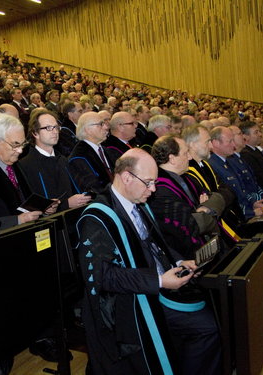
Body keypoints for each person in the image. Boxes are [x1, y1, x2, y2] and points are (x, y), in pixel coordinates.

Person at [77, 148, 221, 375]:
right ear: (126, 177)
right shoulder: (96, 218)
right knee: (207, 327)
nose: (153, 189)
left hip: (155, 284)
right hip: (130, 301)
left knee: (214, 309)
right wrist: (160, 281)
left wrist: (180, 260)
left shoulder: (138, 204)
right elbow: (103, 276)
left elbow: (158, 245)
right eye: (149, 182)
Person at [148, 135, 220, 259]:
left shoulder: (187, 177)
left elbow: (217, 196)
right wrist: (206, 210)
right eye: (186, 153)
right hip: (187, 256)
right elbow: (190, 224)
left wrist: (203, 209)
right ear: (172, 159)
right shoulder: (159, 189)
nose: (190, 157)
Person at [18, 109, 91, 211]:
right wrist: (66, 204)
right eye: (48, 128)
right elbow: (30, 207)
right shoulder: (25, 165)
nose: (55, 131)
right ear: (35, 133)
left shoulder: (63, 160)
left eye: (56, 127)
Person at [68, 111, 115, 194]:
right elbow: (92, 190)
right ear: (88, 130)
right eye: (101, 124)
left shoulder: (105, 150)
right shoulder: (79, 157)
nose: (106, 127)